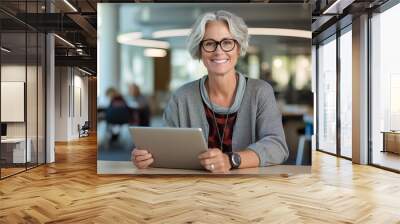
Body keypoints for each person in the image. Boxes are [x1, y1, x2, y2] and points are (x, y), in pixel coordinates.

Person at [132, 10, 289, 173]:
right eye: (209, 43)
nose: (219, 51)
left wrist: (231, 160)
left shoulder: (260, 91)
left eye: (227, 42)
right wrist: (146, 157)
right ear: (199, 50)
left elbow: (277, 146)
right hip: (193, 190)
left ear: (238, 48)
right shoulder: (182, 97)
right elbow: (164, 147)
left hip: (248, 189)